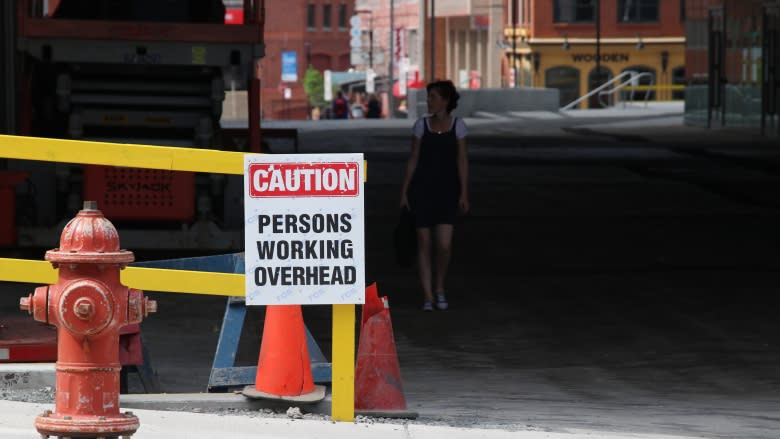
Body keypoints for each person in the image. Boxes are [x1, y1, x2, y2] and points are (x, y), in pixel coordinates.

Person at [399, 80, 469, 312]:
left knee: (444, 244)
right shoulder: (421, 126)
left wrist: (464, 192)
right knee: (424, 243)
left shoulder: (458, 126)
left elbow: (462, 161)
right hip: (422, 190)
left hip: (448, 191)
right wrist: (405, 191)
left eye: (433, 97)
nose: (429, 101)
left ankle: (439, 286)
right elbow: (413, 159)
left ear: (445, 101)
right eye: (429, 96)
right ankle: (429, 294)